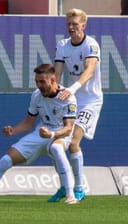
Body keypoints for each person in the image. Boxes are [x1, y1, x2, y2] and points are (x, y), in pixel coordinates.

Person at [0, 64, 79, 205]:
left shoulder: (67, 98)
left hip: (60, 134)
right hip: (41, 132)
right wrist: (13, 131)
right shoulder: (37, 95)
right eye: (37, 81)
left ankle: (70, 196)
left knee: (56, 148)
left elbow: (69, 128)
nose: (39, 85)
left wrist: (51, 134)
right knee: (6, 160)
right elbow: (28, 123)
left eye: (42, 82)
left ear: (53, 80)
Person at [48, 8, 103, 202]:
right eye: (69, 24)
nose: (71, 27)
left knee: (73, 143)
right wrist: (51, 91)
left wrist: (72, 88)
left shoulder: (91, 45)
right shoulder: (62, 45)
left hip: (90, 101)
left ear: (83, 25)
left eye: (75, 24)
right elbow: (57, 73)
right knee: (54, 145)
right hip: (70, 100)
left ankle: (79, 187)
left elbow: (88, 72)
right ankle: (65, 187)